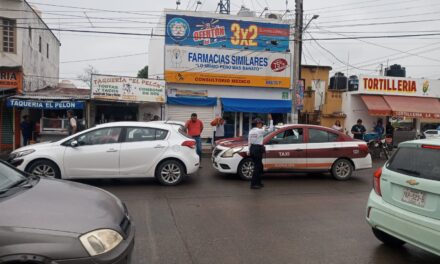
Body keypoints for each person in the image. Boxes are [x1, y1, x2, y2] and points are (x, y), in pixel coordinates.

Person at [248, 114, 274, 190]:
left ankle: (258, 182)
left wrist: (249, 150)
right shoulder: (259, 130)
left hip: (253, 148)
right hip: (257, 149)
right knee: (257, 167)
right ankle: (253, 184)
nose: (261, 124)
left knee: (259, 166)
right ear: (258, 124)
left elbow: (249, 142)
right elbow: (271, 129)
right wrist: (271, 120)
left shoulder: (251, 131)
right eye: (261, 123)